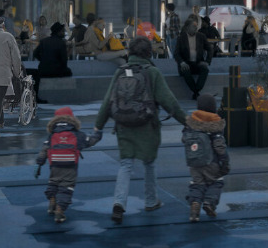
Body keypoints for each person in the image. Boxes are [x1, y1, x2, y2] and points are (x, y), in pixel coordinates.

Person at [92, 37, 187, 224]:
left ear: (130, 53)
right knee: (149, 163)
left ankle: (119, 203)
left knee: (126, 164)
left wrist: (98, 126)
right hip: (147, 126)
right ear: (148, 53)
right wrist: (187, 121)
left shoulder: (120, 72)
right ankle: (151, 201)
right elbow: (169, 101)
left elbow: (107, 102)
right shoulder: (153, 72)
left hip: (124, 125)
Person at [35, 106, 98, 224]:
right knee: (66, 187)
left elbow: (44, 149)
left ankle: (52, 199)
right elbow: (90, 141)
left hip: (54, 165)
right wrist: (98, 134)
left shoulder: (53, 134)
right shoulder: (77, 134)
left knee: (53, 181)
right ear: (72, 118)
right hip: (70, 166)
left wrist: (40, 162)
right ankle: (60, 210)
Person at [182, 94, 230, 222]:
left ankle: (195, 204)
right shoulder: (215, 123)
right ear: (213, 107)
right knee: (216, 182)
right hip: (211, 162)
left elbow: (184, 139)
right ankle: (209, 203)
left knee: (197, 184)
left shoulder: (191, 122)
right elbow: (219, 146)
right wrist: (225, 162)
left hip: (194, 162)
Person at [175, 14, 214, 100]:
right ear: (187, 27)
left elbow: (210, 49)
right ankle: (196, 92)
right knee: (186, 70)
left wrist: (207, 61)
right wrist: (181, 62)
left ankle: (196, 91)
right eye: (193, 26)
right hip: (186, 63)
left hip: (198, 62)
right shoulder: (181, 38)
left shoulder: (201, 36)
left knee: (205, 69)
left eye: (196, 26)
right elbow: (176, 54)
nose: (196, 28)